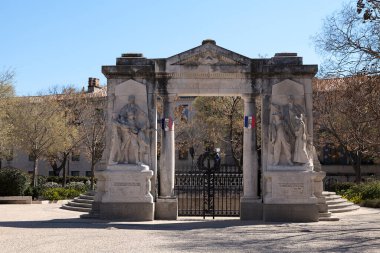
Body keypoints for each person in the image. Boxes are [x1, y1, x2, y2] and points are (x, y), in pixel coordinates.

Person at [110, 95, 148, 164]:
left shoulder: (135, 107)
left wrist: (145, 115)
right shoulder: (126, 108)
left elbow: (141, 111)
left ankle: (137, 160)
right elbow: (121, 115)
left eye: (133, 99)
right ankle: (126, 160)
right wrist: (123, 123)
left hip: (133, 132)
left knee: (135, 146)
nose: (132, 100)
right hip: (126, 133)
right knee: (125, 146)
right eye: (130, 99)